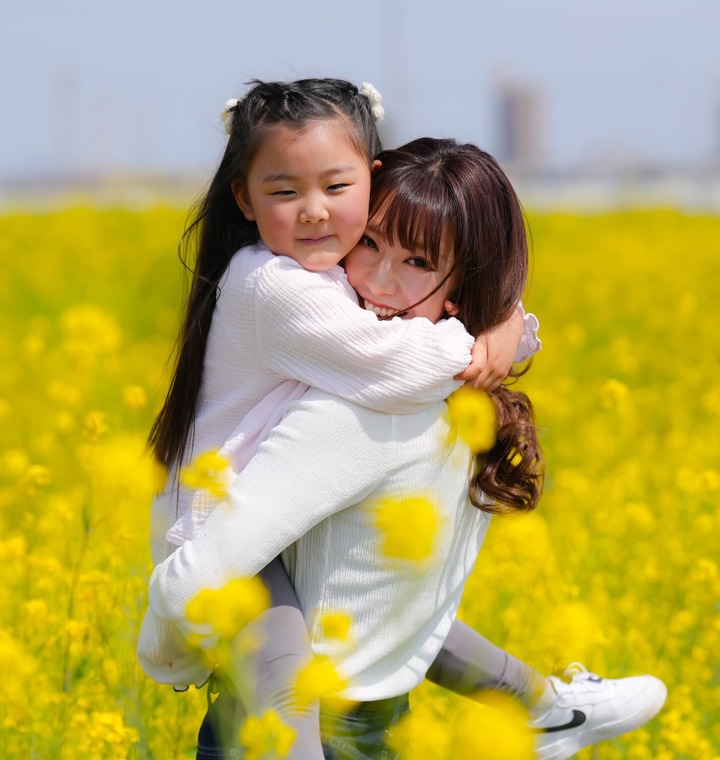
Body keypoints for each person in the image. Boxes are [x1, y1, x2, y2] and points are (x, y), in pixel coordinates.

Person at [139, 79, 665, 758]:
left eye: (335, 187)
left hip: (270, 533)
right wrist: (493, 334)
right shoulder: (276, 288)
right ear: (244, 197)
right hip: (216, 530)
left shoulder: (327, 278)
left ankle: (545, 708)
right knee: (285, 674)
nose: (314, 214)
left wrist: (501, 315)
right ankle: (545, 709)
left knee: (381, 591)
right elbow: (396, 360)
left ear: (370, 176)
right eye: (283, 191)